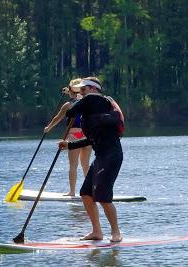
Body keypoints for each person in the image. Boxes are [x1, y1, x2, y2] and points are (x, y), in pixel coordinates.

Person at [58, 76, 124, 242]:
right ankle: (97, 232)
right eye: (80, 90)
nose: (81, 92)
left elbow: (70, 113)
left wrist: (74, 100)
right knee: (86, 194)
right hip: (101, 156)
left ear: (93, 89)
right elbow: (92, 138)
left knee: (102, 196)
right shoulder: (92, 107)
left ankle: (116, 233)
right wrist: (69, 145)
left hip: (111, 155)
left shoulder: (93, 99)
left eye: (83, 89)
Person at [44, 79, 92, 196]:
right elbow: (78, 95)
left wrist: (48, 128)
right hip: (87, 135)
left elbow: (57, 118)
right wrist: (69, 91)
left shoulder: (68, 105)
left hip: (73, 135)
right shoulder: (87, 101)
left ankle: (72, 192)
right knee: (85, 164)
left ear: (71, 91)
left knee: (73, 165)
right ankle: (91, 191)